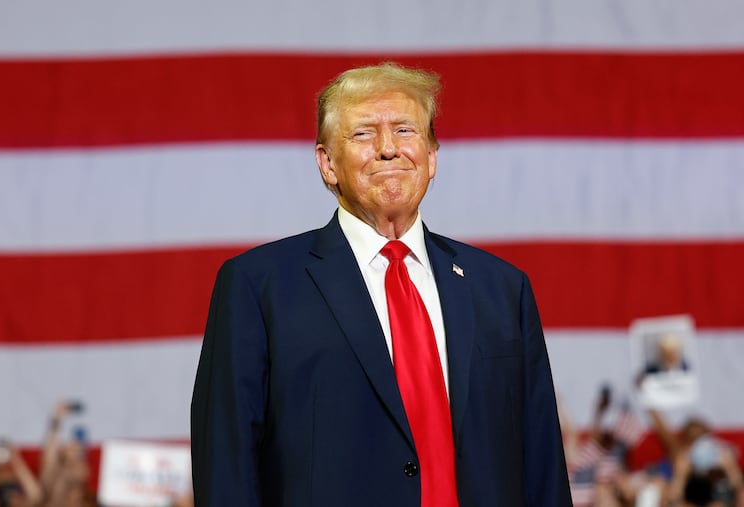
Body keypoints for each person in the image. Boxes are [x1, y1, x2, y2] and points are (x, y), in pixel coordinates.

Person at [191, 62, 571, 507]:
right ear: (327, 163)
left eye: (406, 131)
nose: (389, 149)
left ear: (431, 158)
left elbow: (542, 462)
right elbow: (227, 467)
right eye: (364, 134)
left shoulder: (502, 288)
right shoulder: (259, 286)